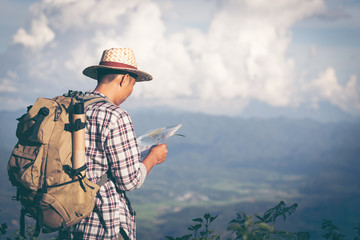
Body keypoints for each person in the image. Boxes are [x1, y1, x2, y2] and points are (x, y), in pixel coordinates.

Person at [71, 48, 168, 240]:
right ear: (124, 79)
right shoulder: (115, 115)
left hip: (69, 219)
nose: (130, 92)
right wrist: (152, 158)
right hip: (102, 224)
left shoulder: (72, 106)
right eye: (132, 85)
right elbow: (130, 180)